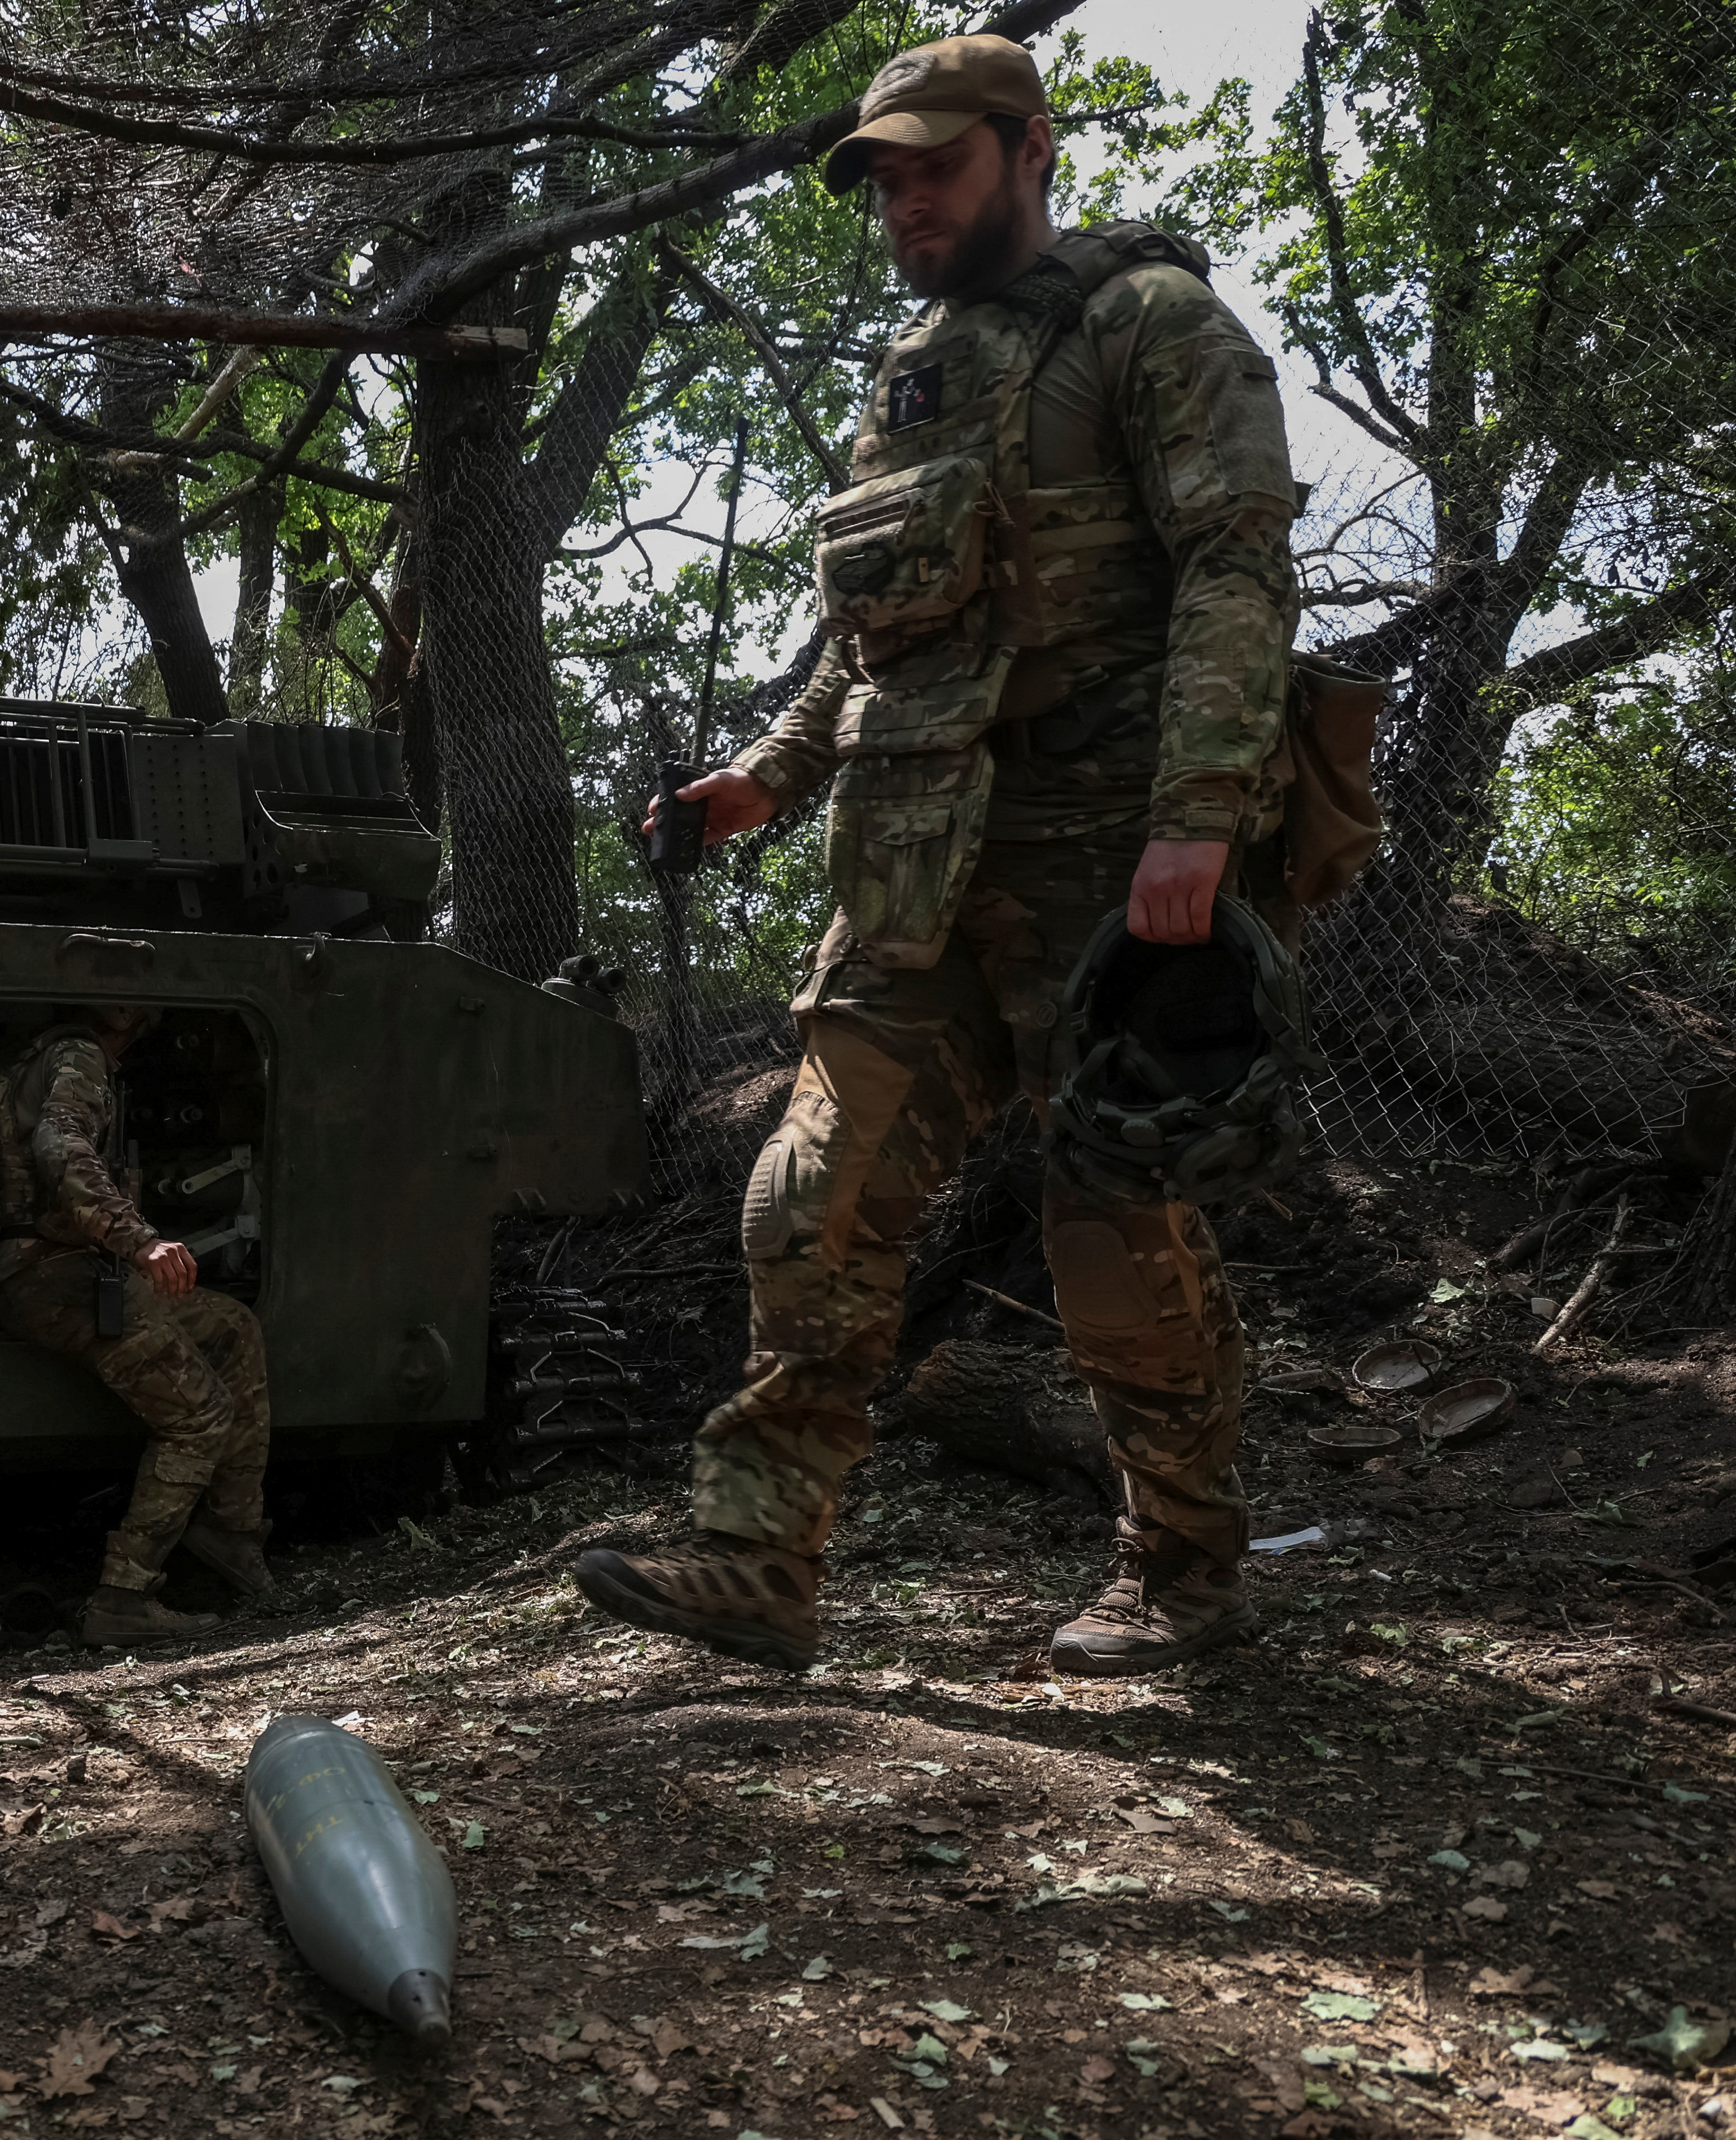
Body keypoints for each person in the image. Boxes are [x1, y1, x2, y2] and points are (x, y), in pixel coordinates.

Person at [573, 33, 1298, 1679]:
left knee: (1110, 1233)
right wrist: (757, 778)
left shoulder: (1150, 328)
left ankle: (1179, 1560)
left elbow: (1232, 572)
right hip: (910, 869)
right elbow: (878, 630)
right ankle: (759, 1560)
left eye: (933, 167)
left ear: (1028, 148)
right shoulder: (913, 373)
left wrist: (1192, 816)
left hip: (1101, 868)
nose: (901, 200)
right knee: (805, 1201)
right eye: (881, 178)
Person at [0, 1004, 274, 1647]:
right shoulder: (79, 1055)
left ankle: (229, 1531)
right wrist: (137, 1240)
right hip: (52, 1271)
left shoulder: (27, 1053)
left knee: (232, 1328)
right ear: (130, 1014)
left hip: (55, 1265)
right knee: (199, 1414)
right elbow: (61, 1146)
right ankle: (123, 1595)